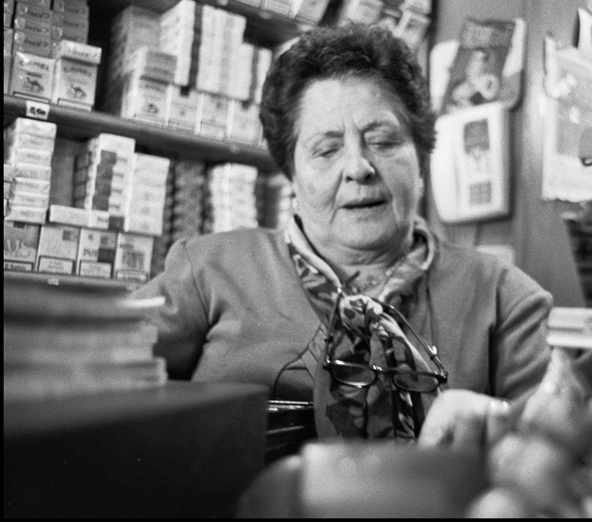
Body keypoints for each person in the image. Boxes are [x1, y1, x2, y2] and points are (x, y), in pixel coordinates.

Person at [133, 23, 558, 446]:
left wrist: (498, 428)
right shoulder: (208, 272)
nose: (358, 168)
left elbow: (558, 444)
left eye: (383, 141)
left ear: (422, 159)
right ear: (292, 174)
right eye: (326, 149)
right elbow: (101, 376)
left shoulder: (503, 297)